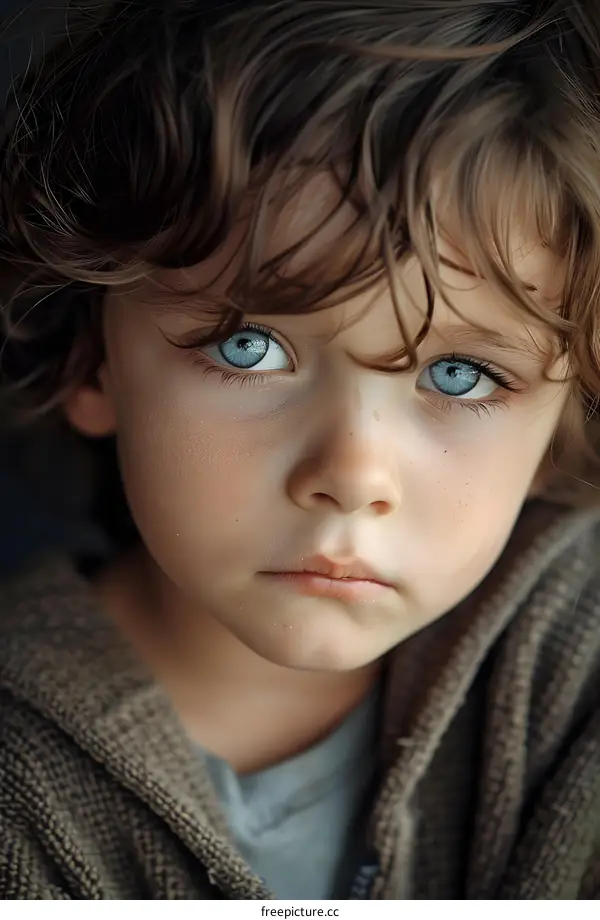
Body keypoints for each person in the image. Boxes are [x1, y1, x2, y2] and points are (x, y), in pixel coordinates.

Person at [0, 0, 599, 901]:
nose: (353, 476)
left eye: (463, 376)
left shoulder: (575, 674)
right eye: (249, 347)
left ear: (559, 426)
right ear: (95, 363)